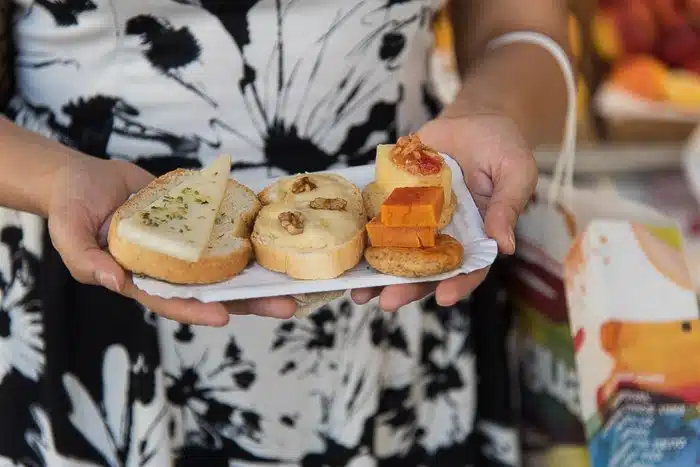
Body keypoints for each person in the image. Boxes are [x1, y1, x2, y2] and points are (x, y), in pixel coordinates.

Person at [0, 0, 568, 465]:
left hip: (404, 287)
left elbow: (522, 25)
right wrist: (53, 179)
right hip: (99, 286)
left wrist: (489, 110)